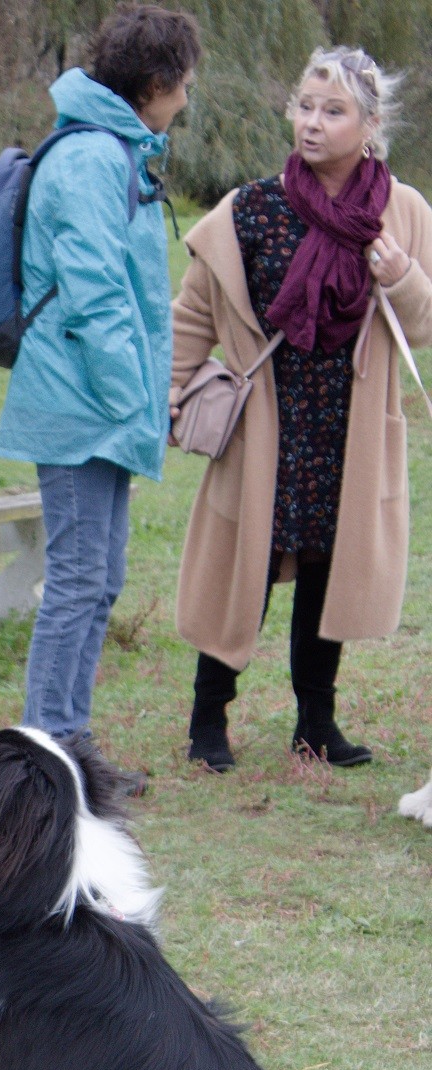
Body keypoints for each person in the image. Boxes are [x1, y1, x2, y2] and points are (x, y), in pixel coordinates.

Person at [172, 46, 432, 772]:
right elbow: (193, 314)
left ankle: (317, 723)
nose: (312, 124)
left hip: (349, 430)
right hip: (266, 426)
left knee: (328, 571)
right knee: (241, 574)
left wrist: (401, 275)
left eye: (333, 111)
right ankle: (207, 723)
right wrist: (173, 397)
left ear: (370, 124)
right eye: (305, 107)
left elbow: (424, 324)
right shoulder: (253, 208)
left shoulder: (401, 212)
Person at [0, 3, 201, 771]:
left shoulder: (118, 151)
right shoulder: (90, 161)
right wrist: (135, 401)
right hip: (81, 406)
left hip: (98, 406)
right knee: (80, 579)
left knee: (100, 578)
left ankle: (68, 743)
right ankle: (43, 754)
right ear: (153, 84)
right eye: (182, 84)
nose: (187, 97)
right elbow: (96, 298)